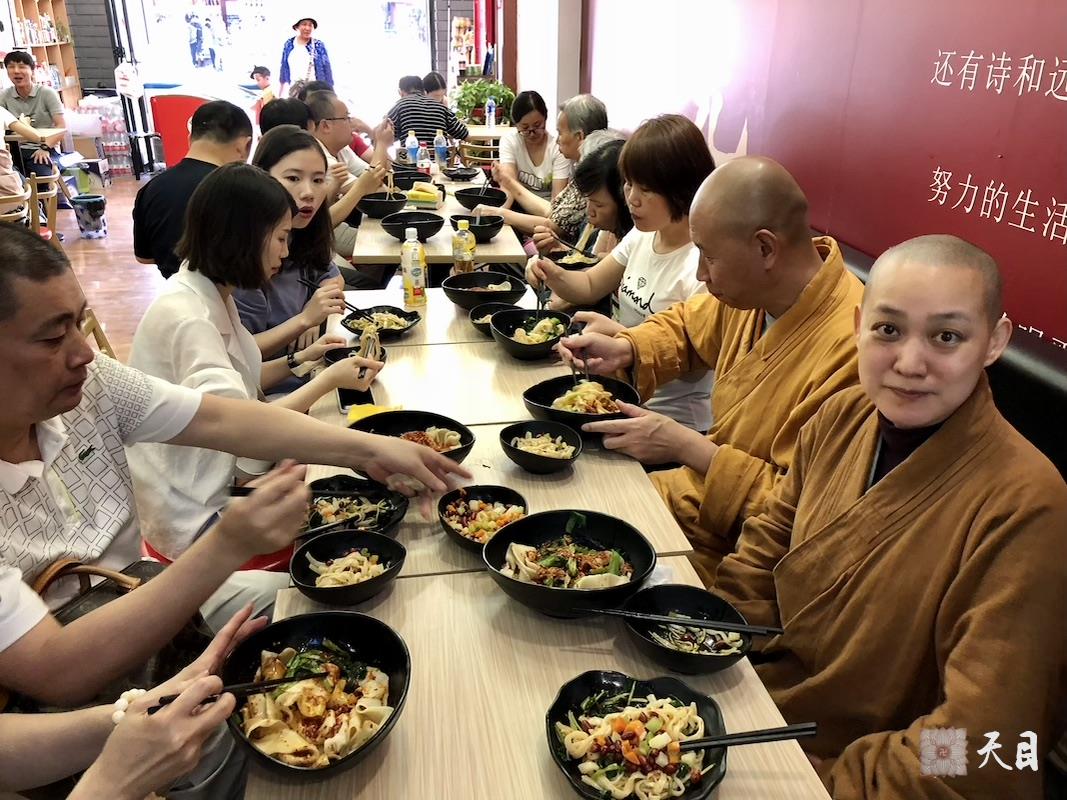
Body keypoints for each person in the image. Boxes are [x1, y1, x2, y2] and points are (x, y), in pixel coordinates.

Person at [714, 235, 1067, 800]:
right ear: (858, 325)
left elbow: (981, 747)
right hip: (751, 707)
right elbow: (763, 549)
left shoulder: (1028, 504)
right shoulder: (839, 417)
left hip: (859, 774)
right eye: (888, 330)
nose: (908, 364)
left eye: (946, 337)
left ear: (994, 341)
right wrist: (713, 652)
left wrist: (832, 779)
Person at [0, 220, 470, 622]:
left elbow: (224, 419)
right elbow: (55, 667)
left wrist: (371, 449)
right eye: (52, 338)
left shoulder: (96, 380)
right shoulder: (188, 314)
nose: (85, 353)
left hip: (137, 586)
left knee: (361, 597)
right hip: (155, 576)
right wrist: (227, 544)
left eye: (80, 324)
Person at [558, 157, 864, 585]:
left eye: (708, 256)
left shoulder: (855, 350)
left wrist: (683, 445)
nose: (700, 273)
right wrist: (626, 348)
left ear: (765, 248)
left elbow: (805, 512)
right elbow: (687, 327)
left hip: (748, 558)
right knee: (566, 510)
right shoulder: (755, 292)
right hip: (695, 499)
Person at [127, 163, 385, 560]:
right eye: (281, 238)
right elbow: (244, 432)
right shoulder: (188, 317)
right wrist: (327, 380)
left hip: (215, 485)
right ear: (243, 237)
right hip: (197, 519)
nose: (285, 251)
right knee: (357, 528)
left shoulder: (207, 289)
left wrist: (303, 360)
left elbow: (241, 383)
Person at [0, 467, 307, 796]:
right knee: (221, 738)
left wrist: (136, 715)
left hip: (132, 585)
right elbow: (55, 668)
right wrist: (113, 778)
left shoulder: (56, 432)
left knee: (286, 609)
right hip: (72, 680)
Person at [533, 115, 715, 435]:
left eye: (646, 188)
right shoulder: (644, 234)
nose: (631, 198)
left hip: (672, 425)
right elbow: (590, 283)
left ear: (682, 189)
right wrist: (551, 272)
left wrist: (618, 336)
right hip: (622, 399)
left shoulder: (703, 266)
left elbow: (694, 364)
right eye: (628, 183)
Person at [239, 125, 352, 390]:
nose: (308, 192)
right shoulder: (246, 254)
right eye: (293, 178)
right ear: (261, 178)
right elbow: (238, 355)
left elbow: (329, 274)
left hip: (311, 371)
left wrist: (314, 306)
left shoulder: (302, 234)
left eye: (317, 179)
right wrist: (304, 321)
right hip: (271, 395)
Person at [132, 100, 252, 279]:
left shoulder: (151, 188)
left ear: (190, 138)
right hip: (230, 299)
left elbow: (144, 258)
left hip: (176, 296)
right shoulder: (244, 189)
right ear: (245, 145)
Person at [482, 94, 609, 239]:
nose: (557, 140)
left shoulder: (593, 174)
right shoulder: (586, 166)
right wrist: (507, 187)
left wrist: (501, 213)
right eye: (525, 127)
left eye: (560, 133)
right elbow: (555, 212)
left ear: (579, 136)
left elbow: (556, 225)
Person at [306, 91, 391, 262]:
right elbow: (376, 194)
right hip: (318, 235)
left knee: (386, 239)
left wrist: (380, 143)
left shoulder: (341, 149)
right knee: (385, 243)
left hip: (336, 225)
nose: (352, 123)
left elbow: (379, 181)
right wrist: (381, 143)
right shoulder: (317, 155)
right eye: (346, 118)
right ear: (325, 126)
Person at [494, 90, 570, 205]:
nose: (532, 133)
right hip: (518, 207)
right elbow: (509, 189)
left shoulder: (558, 148)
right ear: (516, 125)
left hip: (547, 210)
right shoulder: (510, 141)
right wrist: (501, 215)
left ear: (545, 118)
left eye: (537, 125)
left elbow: (557, 200)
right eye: (525, 128)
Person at [1, 51, 65, 168]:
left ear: (32, 71)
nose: (16, 71)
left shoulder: (47, 93)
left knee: (41, 175)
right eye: (11, 67)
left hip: (45, 147)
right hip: (15, 150)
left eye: (22, 67)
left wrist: (45, 148)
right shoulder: (4, 96)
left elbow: (61, 126)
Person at [386, 74, 468, 155]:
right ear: (423, 90)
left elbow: (385, 138)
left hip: (410, 165)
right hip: (441, 164)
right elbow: (463, 133)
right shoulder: (442, 108)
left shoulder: (400, 106)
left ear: (400, 92)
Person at [278, 17, 332, 96]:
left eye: (310, 25)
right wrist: (281, 92)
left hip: (315, 91)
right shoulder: (289, 44)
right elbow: (284, 67)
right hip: (294, 90)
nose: (307, 28)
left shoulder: (318, 45)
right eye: (304, 24)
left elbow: (327, 69)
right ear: (297, 27)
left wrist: (330, 92)